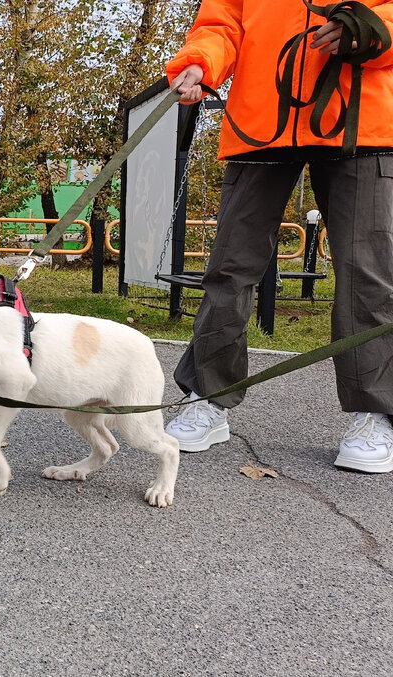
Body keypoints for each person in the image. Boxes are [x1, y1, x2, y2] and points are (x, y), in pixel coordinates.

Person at [164, 1, 393, 472]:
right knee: (229, 267)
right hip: (262, 121)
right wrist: (199, 62)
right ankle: (208, 396)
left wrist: (371, 31)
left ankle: (376, 411)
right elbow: (222, 23)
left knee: (367, 273)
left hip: (364, 122)